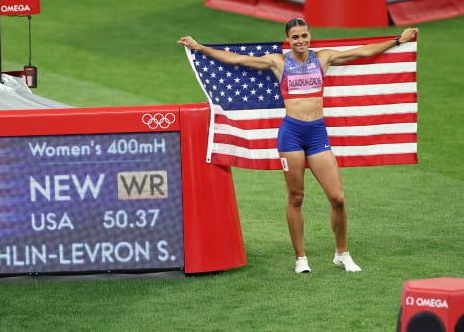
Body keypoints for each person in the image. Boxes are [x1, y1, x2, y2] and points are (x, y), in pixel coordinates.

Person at [178, 18, 418, 273]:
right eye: (295, 37)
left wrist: (397, 41)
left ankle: (342, 253)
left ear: (310, 36)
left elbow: (360, 52)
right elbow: (236, 59)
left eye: (304, 35)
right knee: (296, 197)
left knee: (337, 198)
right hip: (290, 134)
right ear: (288, 40)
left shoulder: (323, 58)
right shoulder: (278, 62)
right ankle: (300, 257)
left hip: (317, 134)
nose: (300, 41)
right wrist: (200, 48)